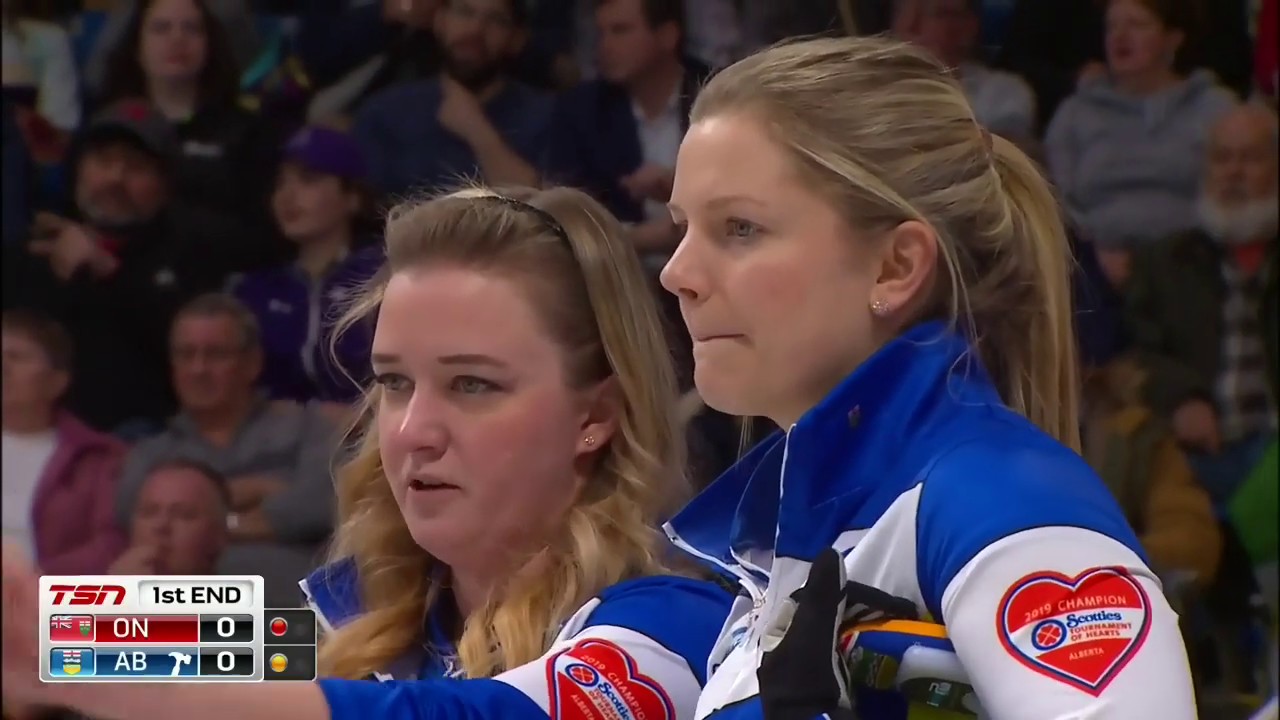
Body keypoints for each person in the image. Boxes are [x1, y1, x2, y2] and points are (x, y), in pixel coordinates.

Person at [0, 185, 734, 719]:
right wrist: (44, 626)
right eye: (393, 382)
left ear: (595, 416)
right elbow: (153, 631)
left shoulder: (677, 632)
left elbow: (475, 715)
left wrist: (80, 675)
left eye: (473, 384)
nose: (413, 428)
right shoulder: (354, 616)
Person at [658, 36, 1196, 719]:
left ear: (895, 267)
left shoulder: (999, 499)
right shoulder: (791, 549)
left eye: (739, 228)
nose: (678, 273)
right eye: (680, 227)